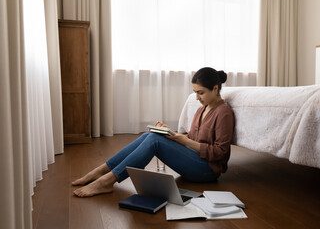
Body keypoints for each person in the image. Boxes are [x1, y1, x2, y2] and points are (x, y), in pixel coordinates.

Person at [72, 67, 235, 197]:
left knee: (154, 141)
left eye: (201, 93)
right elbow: (194, 139)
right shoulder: (202, 109)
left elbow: (220, 152)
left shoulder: (224, 113)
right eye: (195, 93)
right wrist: (170, 133)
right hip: (195, 159)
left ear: (215, 89)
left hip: (207, 170)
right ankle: (102, 170)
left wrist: (181, 140)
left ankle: (107, 181)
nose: (197, 97)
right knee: (150, 135)